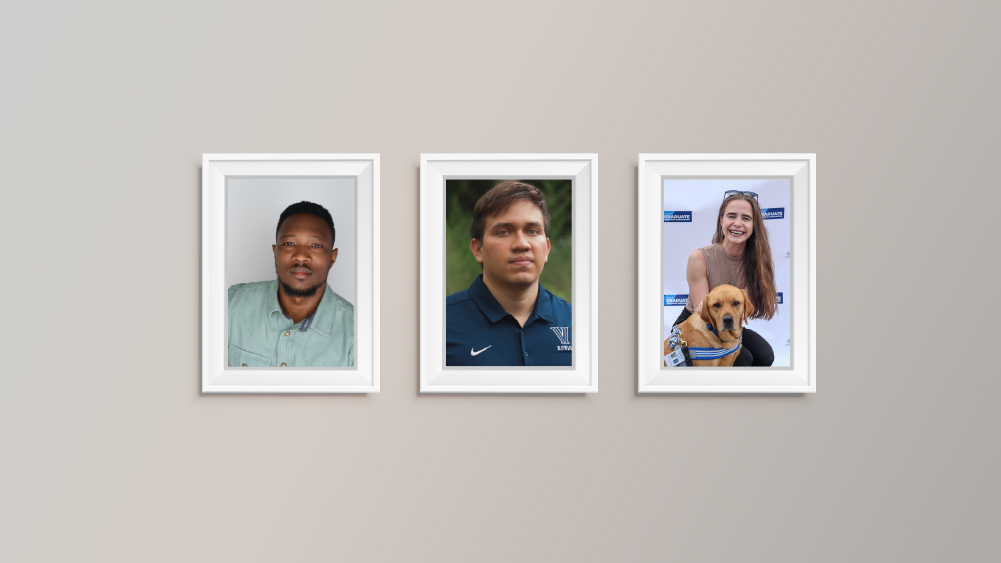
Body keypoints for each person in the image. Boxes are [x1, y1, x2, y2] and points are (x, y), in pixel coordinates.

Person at [446, 181, 572, 366]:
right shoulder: (437, 325)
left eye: (532, 231)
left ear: (546, 249)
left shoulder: (578, 323)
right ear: (478, 249)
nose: (522, 244)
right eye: (504, 232)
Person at [228, 201, 354, 367]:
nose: (301, 256)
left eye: (316, 245)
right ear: (275, 252)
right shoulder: (231, 304)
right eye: (289, 244)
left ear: (332, 257)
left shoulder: (357, 333)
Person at [673, 191, 776, 366]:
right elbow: (703, 313)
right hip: (697, 323)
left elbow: (741, 310)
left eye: (746, 218)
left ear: (754, 225)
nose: (737, 223)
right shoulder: (699, 258)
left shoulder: (757, 262)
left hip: (728, 322)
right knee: (742, 359)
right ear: (721, 221)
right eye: (731, 216)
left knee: (765, 355)